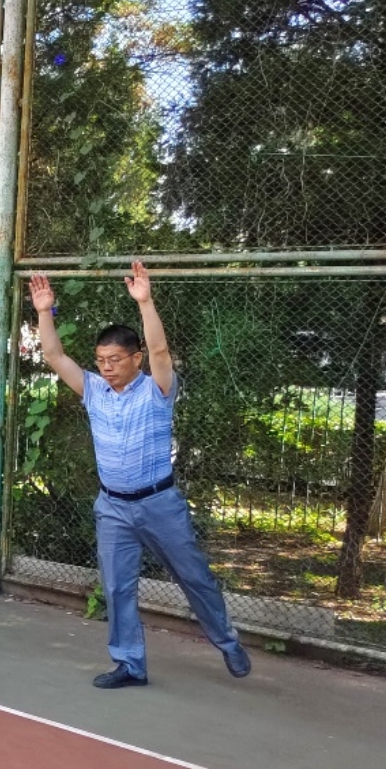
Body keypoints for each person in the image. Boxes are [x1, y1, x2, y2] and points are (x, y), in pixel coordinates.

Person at [28, 265, 251, 689]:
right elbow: (55, 356)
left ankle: (227, 641)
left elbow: (162, 351)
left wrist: (145, 302)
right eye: (101, 361)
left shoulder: (157, 390)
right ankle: (130, 664)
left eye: (115, 360)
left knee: (195, 579)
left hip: (159, 504)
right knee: (116, 588)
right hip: (113, 506)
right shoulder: (93, 390)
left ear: (136, 359)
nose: (107, 368)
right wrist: (44, 311)